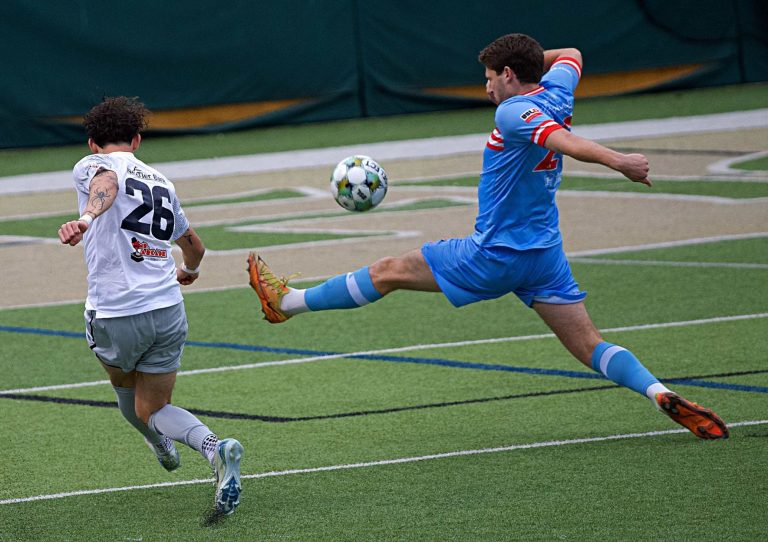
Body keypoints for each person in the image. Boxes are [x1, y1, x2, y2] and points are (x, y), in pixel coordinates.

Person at [247, 34, 729, 440]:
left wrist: (619, 161)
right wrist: (528, 62)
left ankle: (286, 303)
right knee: (590, 346)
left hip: (496, 252)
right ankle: (658, 392)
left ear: (507, 74)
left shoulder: (513, 113)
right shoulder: (557, 92)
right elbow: (573, 54)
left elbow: (565, 142)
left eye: (490, 77)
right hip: (545, 256)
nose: (486, 88)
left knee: (388, 271)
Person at [58, 96, 244, 515]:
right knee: (155, 405)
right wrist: (189, 273)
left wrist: (86, 219)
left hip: (116, 311)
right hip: (168, 309)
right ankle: (215, 449)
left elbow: (106, 180)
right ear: (138, 139)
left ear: (92, 143)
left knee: (129, 395)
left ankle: (157, 440)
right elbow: (194, 245)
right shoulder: (162, 181)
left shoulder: (91, 166)